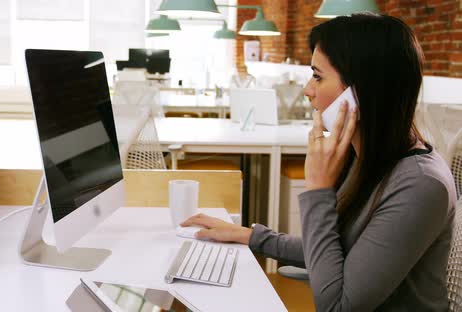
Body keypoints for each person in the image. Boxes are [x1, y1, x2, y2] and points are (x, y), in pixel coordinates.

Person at [181, 13, 457, 311]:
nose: (307, 90)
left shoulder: (420, 184)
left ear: (361, 91)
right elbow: (342, 250)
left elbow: (337, 306)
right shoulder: (369, 158)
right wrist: (249, 236)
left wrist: (317, 189)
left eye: (317, 76)